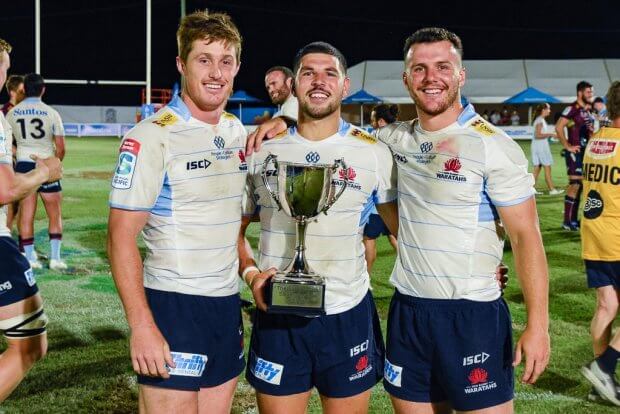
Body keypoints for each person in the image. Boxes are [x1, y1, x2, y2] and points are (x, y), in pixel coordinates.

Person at [374, 28, 550, 413]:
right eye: (419, 69)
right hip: (409, 313)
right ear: (406, 79)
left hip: (472, 315)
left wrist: (538, 326)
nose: (430, 77)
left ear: (460, 75)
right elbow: (330, 138)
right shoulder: (390, 140)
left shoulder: (492, 145)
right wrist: (281, 124)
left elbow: (526, 237)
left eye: (442, 66)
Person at [239, 41, 398, 414]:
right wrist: (250, 275)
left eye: (331, 73)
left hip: (347, 312)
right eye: (308, 73)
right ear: (294, 85)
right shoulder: (262, 150)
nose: (319, 81)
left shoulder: (373, 151)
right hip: (278, 314)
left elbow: (401, 229)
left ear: (345, 86)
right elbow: (234, 230)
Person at [107, 11, 247, 413]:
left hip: (225, 306)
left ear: (237, 66)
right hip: (173, 306)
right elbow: (119, 238)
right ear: (182, 65)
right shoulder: (150, 137)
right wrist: (142, 325)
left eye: (226, 61)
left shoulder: (237, 132)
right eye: (204, 59)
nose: (216, 72)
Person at [0, 37, 61, 403]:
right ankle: (51, 254)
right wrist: (45, 171)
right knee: (30, 345)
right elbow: (5, 190)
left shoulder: (10, 115)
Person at [580, 80, 620, 407]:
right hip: (618, 234)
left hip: (594, 233)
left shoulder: (597, 139)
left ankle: (600, 386)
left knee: (606, 306)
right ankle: (604, 367)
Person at [6, 74, 67, 271]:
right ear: (43, 89)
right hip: (47, 164)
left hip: (24, 165)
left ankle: (30, 257)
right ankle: (55, 258)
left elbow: (5, 144)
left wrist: (19, 154)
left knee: (26, 214)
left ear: (24, 89)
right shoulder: (51, 113)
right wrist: (55, 163)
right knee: (54, 214)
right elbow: (61, 147)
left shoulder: (12, 113)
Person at [555, 80, 595, 231]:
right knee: (575, 184)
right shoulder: (571, 109)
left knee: (581, 186)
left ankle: (573, 220)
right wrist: (567, 146)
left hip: (586, 153)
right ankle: (566, 221)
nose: (591, 95)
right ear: (580, 93)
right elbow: (559, 127)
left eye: (592, 92)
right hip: (575, 153)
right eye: (588, 92)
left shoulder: (588, 110)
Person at [365, 103, 398, 273]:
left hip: (378, 203)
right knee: (395, 237)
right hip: (395, 200)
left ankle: (366, 279)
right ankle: (409, 270)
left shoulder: (375, 139)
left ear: (381, 121)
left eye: (372, 119)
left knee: (368, 239)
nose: (370, 123)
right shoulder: (400, 138)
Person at [2, 74, 25, 232]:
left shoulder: (21, 110)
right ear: (12, 92)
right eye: (22, 90)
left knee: (19, 203)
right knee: (11, 200)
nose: (25, 94)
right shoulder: (5, 112)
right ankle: (5, 237)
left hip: (18, 158)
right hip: (10, 160)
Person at [531, 103, 563, 196]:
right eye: (548, 109)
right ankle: (552, 190)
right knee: (547, 168)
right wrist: (551, 134)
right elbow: (538, 135)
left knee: (537, 169)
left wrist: (549, 134)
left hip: (537, 146)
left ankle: (531, 190)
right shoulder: (540, 120)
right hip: (541, 148)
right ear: (543, 110)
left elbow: (538, 134)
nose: (550, 110)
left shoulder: (540, 120)